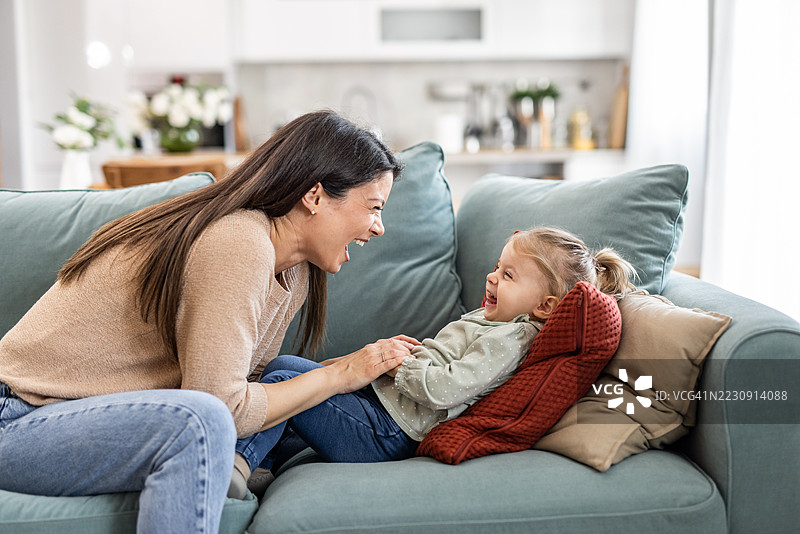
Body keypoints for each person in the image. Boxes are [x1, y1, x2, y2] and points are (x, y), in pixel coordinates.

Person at [0, 110, 418, 533]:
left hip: (82, 420)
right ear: (314, 196)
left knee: (278, 395)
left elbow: (243, 381)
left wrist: (353, 368)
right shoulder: (238, 242)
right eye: (374, 208)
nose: (378, 228)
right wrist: (338, 377)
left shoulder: (294, 272)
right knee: (200, 423)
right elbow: (221, 405)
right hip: (16, 418)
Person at [232, 226, 637, 487]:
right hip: (384, 409)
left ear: (546, 307)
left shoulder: (512, 338)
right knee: (281, 366)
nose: (492, 277)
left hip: (390, 434)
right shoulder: (496, 318)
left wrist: (403, 362)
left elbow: (444, 389)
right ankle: (269, 458)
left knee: (282, 382)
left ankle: (239, 465)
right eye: (498, 267)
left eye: (509, 276)